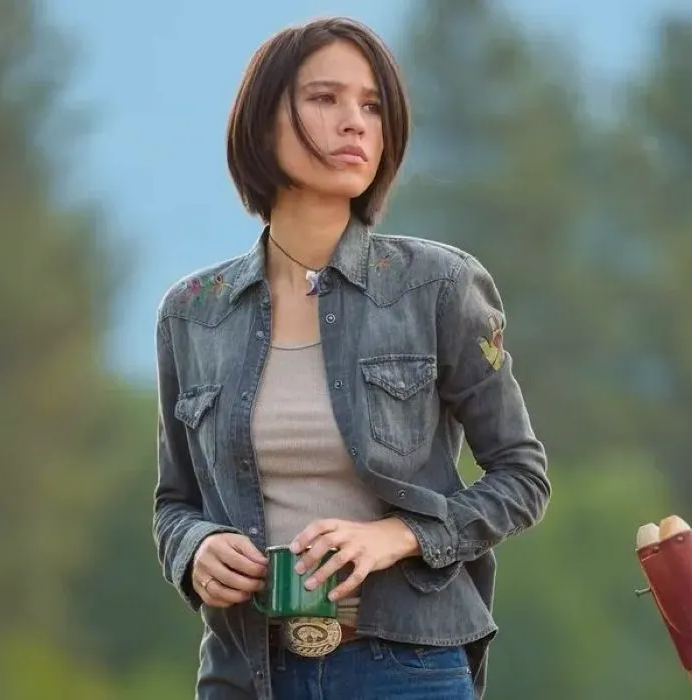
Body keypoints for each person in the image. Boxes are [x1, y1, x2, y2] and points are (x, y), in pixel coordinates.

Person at [153, 15, 550, 700]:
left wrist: (397, 535)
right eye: (324, 98)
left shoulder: (438, 286)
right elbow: (173, 505)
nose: (355, 123)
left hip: (406, 670)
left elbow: (522, 478)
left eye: (372, 105)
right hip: (246, 673)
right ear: (260, 122)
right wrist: (195, 552)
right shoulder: (193, 311)